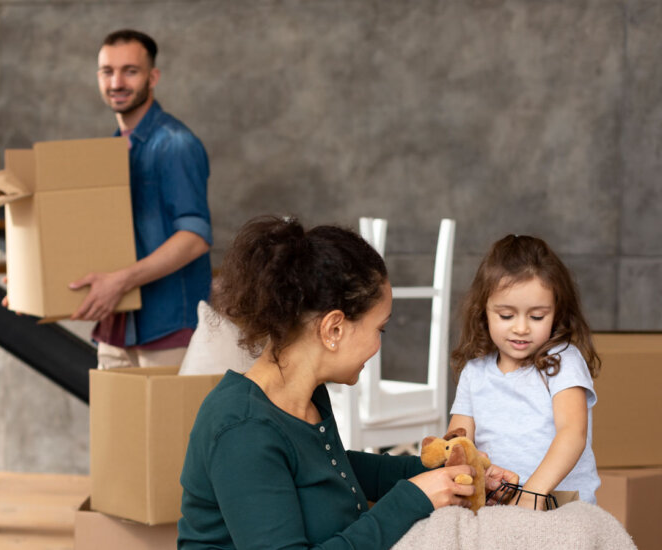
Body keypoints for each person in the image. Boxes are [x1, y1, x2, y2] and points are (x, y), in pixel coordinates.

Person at [178, 216, 518, 549]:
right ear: (333, 329)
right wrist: (413, 499)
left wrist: (453, 473)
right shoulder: (243, 429)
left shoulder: (305, 398)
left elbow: (335, 470)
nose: (378, 345)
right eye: (379, 329)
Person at [69, 29, 212, 368]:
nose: (117, 82)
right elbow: (99, 237)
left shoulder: (176, 144)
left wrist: (120, 281)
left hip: (166, 329)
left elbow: (194, 238)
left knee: (171, 424)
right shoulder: (112, 149)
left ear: (153, 76)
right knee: (112, 424)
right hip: (115, 328)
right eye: (107, 71)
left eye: (130, 71)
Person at [447, 234, 602, 507]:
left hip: (560, 503)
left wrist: (532, 494)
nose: (521, 328)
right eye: (506, 316)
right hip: (496, 505)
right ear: (483, 311)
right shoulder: (475, 373)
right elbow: (460, 444)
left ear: (556, 312)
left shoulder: (563, 360)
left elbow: (572, 433)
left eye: (537, 316)